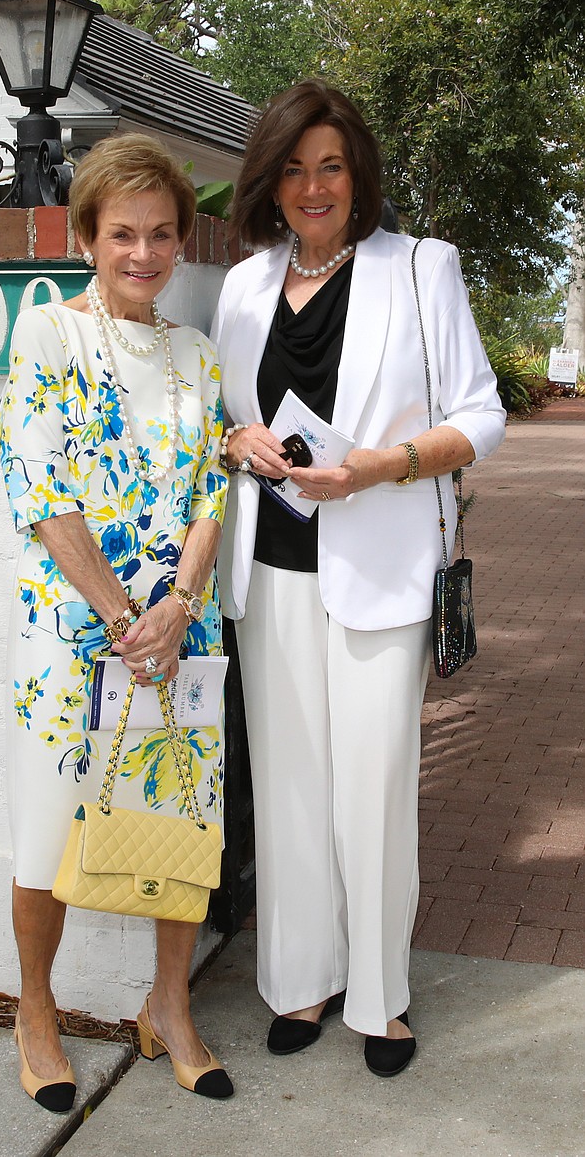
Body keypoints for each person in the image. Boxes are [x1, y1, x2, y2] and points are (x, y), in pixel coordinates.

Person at [211, 79, 505, 1076]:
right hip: (269, 569)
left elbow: (482, 414)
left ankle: (381, 999)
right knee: (289, 785)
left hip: (379, 566)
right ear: (270, 180)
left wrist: (379, 466)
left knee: (373, 785)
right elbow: (222, 418)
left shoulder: (420, 270)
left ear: (358, 172)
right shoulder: (245, 284)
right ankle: (299, 979)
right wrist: (234, 437)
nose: (311, 185)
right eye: (292, 167)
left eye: (329, 165)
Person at [0, 133, 231, 1112]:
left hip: (180, 630)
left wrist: (177, 607)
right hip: (74, 636)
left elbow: (214, 492)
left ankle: (168, 1006)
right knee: (49, 835)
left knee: (175, 826)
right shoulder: (49, 333)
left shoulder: (196, 355)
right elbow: (45, 496)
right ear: (87, 235)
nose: (143, 253)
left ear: (180, 241)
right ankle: (35, 1012)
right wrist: (124, 617)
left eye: (161, 234)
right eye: (122, 233)